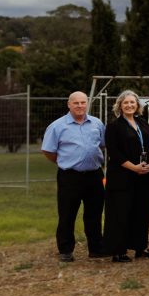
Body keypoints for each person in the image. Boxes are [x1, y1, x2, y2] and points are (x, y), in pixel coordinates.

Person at [41, 91, 107, 262]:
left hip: (94, 175)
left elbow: (102, 145)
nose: (80, 106)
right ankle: (65, 250)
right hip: (70, 177)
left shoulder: (97, 123)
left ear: (87, 104)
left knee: (94, 213)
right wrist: (65, 161)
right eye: (76, 103)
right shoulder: (57, 126)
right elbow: (48, 151)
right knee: (67, 214)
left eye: (83, 102)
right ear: (68, 104)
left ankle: (96, 248)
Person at [104, 90, 149, 262]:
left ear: (137, 105)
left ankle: (140, 247)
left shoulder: (142, 122)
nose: (129, 105)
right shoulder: (114, 126)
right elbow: (114, 152)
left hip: (143, 175)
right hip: (122, 176)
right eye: (125, 103)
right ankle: (119, 251)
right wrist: (133, 167)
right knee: (120, 213)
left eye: (132, 102)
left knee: (141, 212)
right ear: (119, 106)